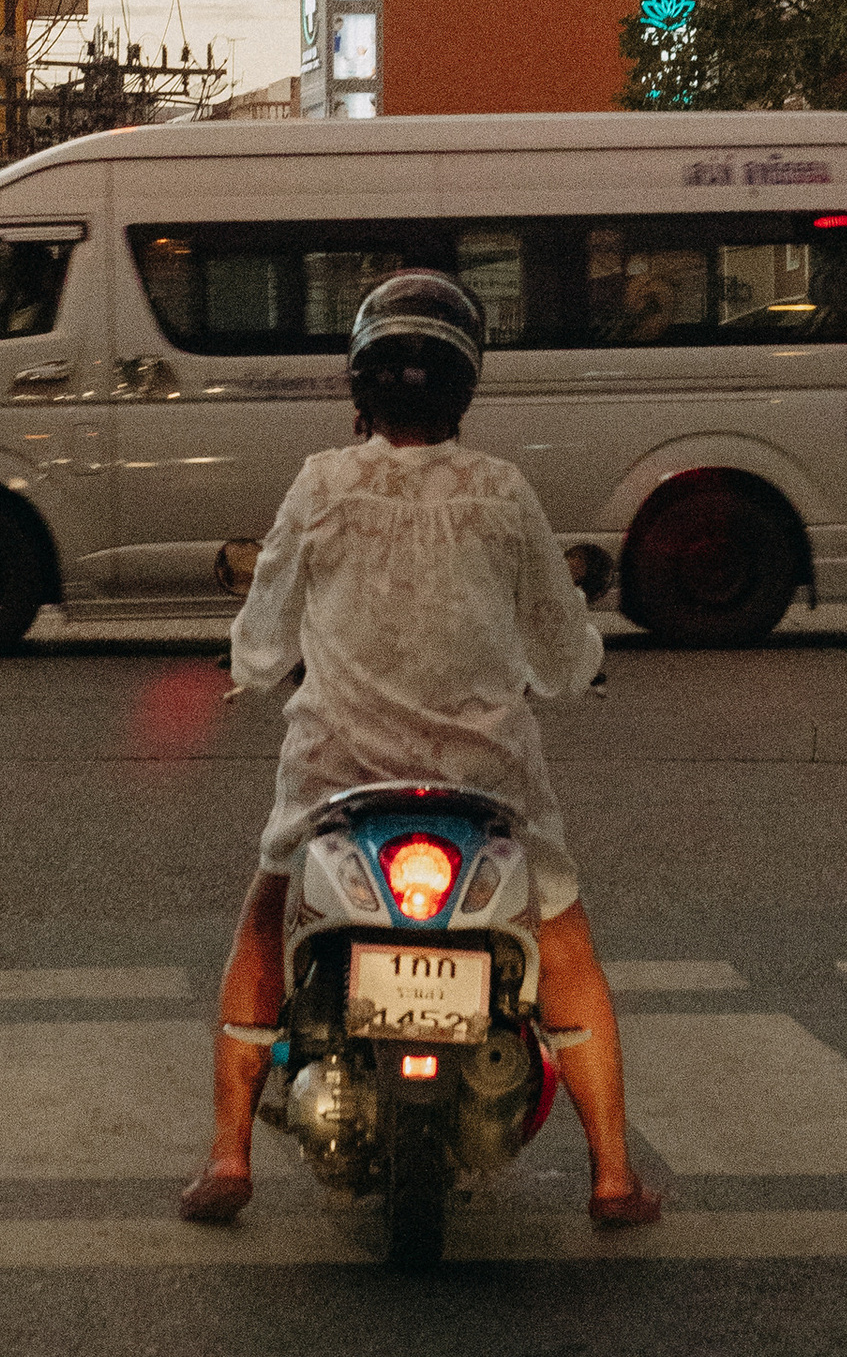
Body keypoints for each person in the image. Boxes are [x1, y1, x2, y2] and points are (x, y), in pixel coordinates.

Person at [178, 267, 662, 1232]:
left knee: (263, 922)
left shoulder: (322, 484)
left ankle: (228, 1157)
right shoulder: (503, 492)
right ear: (464, 389)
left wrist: (252, 666)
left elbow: (265, 639)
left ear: (359, 388)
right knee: (564, 948)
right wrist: (583, 663)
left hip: (337, 776)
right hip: (487, 782)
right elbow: (563, 655)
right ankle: (613, 1175)